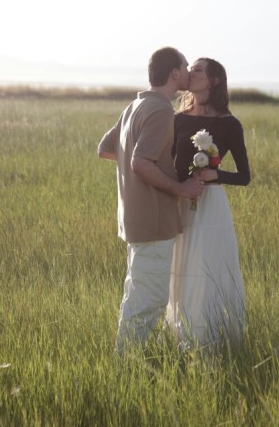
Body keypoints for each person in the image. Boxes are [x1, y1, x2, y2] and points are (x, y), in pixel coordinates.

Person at [98, 47, 204, 355]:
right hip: (154, 220)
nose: (189, 72)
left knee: (137, 294)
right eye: (185, 66)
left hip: (135, 218)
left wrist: (142, 176)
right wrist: (180, 188)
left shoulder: (135, 105)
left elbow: (106, 149)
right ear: (174, 73)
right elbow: (140, 162)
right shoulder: (161, 111)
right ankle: (126, 365)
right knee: (150, 300)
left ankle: (124, 360)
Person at [167, 57, 251, 352]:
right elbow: (168, 164)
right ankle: (181, 338)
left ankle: (213, 340)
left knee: (208, 268)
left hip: (211, 206)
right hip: (179, 202)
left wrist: (216, 174)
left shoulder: (230, 124)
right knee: (180, 267)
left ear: (214, 80)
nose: (190, 73)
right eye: (189, 69)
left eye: (198, 70)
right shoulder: (178, 119)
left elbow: (244, 176)